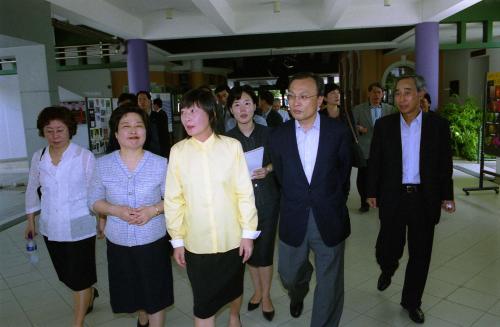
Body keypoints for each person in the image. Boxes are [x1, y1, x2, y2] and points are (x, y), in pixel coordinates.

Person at [164, 87, 259, 327]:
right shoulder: (178, 151)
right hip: (197, 244)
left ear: (211, 114)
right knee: (203, 304)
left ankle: (234, 316)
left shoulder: (231, 146)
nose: (186, 117)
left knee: (234, 287)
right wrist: (177, 240)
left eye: (193, 111)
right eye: (183, 111)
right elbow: (174, 199)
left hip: (232, 239)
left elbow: (244, 193)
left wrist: (248, 234)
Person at [366, 75, 456, 324]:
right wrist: (371, 191)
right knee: (387, 246)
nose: (401, 98)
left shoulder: (437, 126)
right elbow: (375, 161)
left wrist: (447, 196)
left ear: (420, 95)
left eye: (407, 92)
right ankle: (388, 266)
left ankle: (412, 301)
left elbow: (444, 165)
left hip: (423, 198)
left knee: (421, 254)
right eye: (397, 93)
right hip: (393, 196)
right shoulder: (385, 125)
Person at [268, 72, 351, 326]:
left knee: (330, 281)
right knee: (289, 275)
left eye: (304, 96)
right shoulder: (278, 135)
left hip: (329, 215)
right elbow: (280, 176)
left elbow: (343, 172)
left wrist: (334, 201)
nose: (295, 102)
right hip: (294, 215)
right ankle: (299, 290)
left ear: (320, 100)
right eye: (291, 96)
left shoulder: (337, 131)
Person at [89, 105, 174, 327]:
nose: (133, 130)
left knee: (156, 294)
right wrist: (116, 210)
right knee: (130, 290)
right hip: (118, 242)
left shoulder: (160, 163)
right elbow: (94, 200)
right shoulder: (102, 164)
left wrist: (152, 210)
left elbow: (174, 199)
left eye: (139, 125)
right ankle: (142, 317)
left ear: (146, 131)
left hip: (152, 241)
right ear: (116, 134)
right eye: (126, 126)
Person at [25, 106, 98, 327]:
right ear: (43, 132)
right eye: (49, 131)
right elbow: (32, 189)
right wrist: (30, 221)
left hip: (81, 225)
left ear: (70, 130)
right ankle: (90, 293)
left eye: (60, 130)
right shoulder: (39, 157)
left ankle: (78, 322)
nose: (55, 136)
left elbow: (95, 191)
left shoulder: (83, 156)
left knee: (79, 279)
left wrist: (102, 220)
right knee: (66, 275)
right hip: (51, 226)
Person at [225, 85, 280, 322]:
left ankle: (266, 296)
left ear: (255, 105)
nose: (243, 108)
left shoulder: (269, 134)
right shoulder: (227, 140)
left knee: (265, 251)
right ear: (230, 110)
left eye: (247, 102)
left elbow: (281, 162)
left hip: (267, 199)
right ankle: (257, 291)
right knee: (248, 250)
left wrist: (267, 169)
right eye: (237, 104)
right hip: (239, 204)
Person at [352, 82, 395, 213]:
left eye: (379, 92)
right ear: (369, 93)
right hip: (365, 149)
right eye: (374, 92)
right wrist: (358, 128)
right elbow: (351, 126)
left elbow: (395, 128)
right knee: (363, 177)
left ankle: (380, 200)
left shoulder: (390, 110)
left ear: (383, 94)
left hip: (384, 150)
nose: (376, 95)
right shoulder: (358, 109)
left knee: (383, 177)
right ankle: (364, 202)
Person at [137, 90, 170, 158]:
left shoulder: (159, 116)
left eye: (144, 99)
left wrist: (167, 154)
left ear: (150, 101)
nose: (142, 102)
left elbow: (165, 136)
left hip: (158, 153)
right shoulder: (136, 119)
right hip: (142, 155)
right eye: (139, 99)